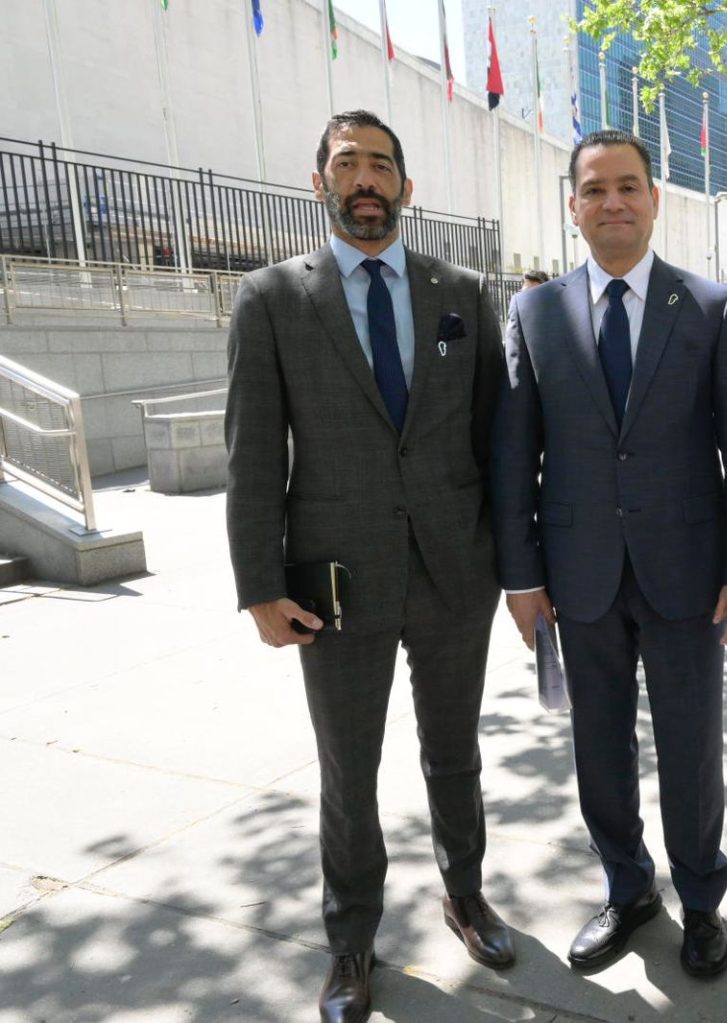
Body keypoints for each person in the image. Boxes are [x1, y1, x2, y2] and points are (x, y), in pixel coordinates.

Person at [225, 110, 516, 1023]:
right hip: (333, 583)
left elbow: (496, 440)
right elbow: (252, 454)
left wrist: (511, 565)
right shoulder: (272, 297)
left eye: (381, 165)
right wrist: (260, 586)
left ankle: (465, 895)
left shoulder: (462, 292)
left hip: (454, 571)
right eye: (347, 163)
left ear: (405, 186)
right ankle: (351, 938)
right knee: (348, 769)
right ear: (319, 183)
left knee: (454, 751)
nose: (365, 179)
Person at [490, 129, 727, 978]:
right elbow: (515, 452)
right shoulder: (534, 313)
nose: (611, 202)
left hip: (688, 574)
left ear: (654, 199)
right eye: (594, 189)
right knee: (598, 745)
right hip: (578, 576)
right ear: (572, 207)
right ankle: (627, 886)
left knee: (692, 747)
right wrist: (521, 576)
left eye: (627, 186)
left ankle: (702, 899)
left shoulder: (710, 306)